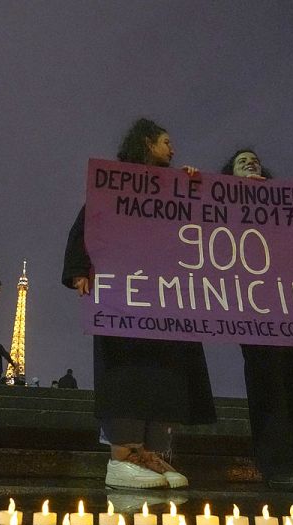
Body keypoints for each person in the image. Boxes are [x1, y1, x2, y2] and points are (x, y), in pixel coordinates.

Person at [62, 118, 214, 489]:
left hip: (166, 298)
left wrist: (193, 189)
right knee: (127, 371)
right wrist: (79, 269)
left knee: (165, 373)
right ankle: (123, 455)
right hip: (123, 296)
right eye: (166, 141)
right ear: (146, 143)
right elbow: (88, 223)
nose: (173, 149)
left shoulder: (177, 185)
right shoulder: (114, 184)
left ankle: (151, 453)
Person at [221, 149, 293, 491]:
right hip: (255, 307)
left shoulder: (290, 205)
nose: (250, 163)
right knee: (267, 384)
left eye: (254, 159)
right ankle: (279, 466)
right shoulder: (220, 207)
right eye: (241, 162)